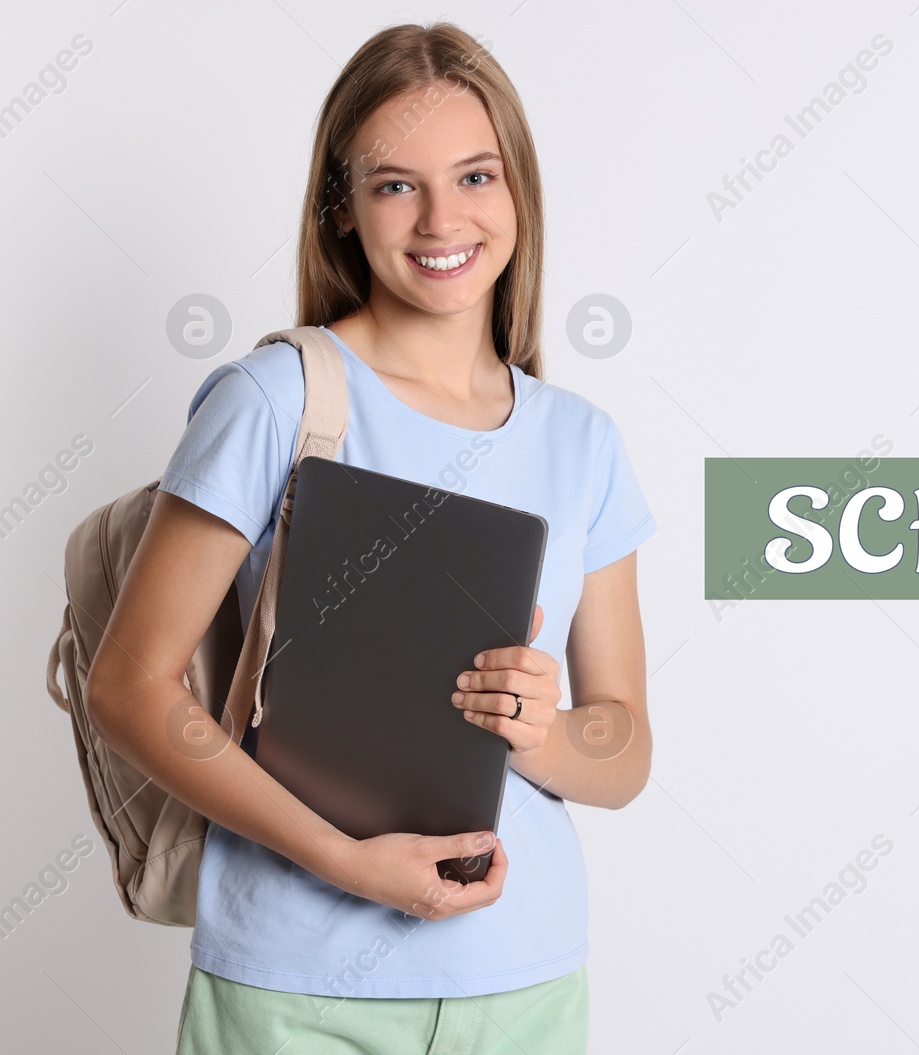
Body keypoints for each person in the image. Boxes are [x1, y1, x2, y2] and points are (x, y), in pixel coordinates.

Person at [84, 21, 655, 1054]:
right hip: (295, 982)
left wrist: (546, 729)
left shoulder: (582, 441)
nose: (443, 217)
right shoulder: (276, 398)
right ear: (341, 209)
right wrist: (342, 861)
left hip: (521, 979)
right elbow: (128, 685)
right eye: (396, 184)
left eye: (475, 175)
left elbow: (625, 748)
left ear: (517, 189)